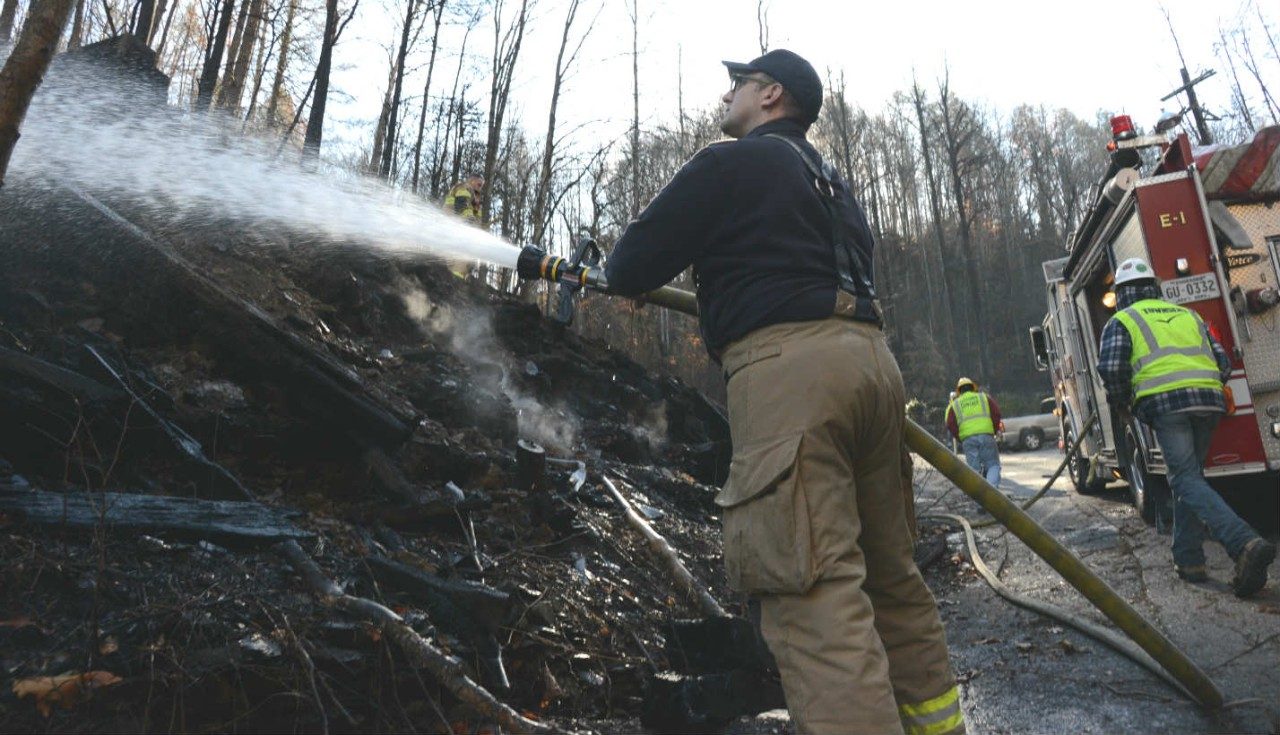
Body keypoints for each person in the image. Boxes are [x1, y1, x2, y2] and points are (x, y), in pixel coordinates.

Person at [604, 49, 962, 735]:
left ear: (770, 96)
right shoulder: (835, 186)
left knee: (816, 597)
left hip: (790, 378)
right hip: (873, 369)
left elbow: (629, 266)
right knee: (892, 581)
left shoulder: (728, 163)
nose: (728, 93)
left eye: (738, 82)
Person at [1098, 257, 1275, 597]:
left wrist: (1123, 402)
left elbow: (1111, 370)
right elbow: (1222, 362)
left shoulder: (1122, 320)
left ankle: (1244, 542)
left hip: (1167, 407)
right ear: (1154, 286)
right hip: (1208, 402)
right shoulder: (1187, 315)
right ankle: (1189, 560)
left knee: (1183, 478)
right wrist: (1203, 386)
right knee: (1190, 478)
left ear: (1121, 293)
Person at [944, 377, 1003, 488]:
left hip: (968, 440)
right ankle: (992, 493)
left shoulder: (955, 404)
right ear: (973, 388)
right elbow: (996, 413)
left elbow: (950, 424)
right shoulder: (984, 398)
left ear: (959, 391)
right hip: (987, 436)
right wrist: (993, 431)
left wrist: (960, 438)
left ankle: (980, 498)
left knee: (974, 470)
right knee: (992, 465)